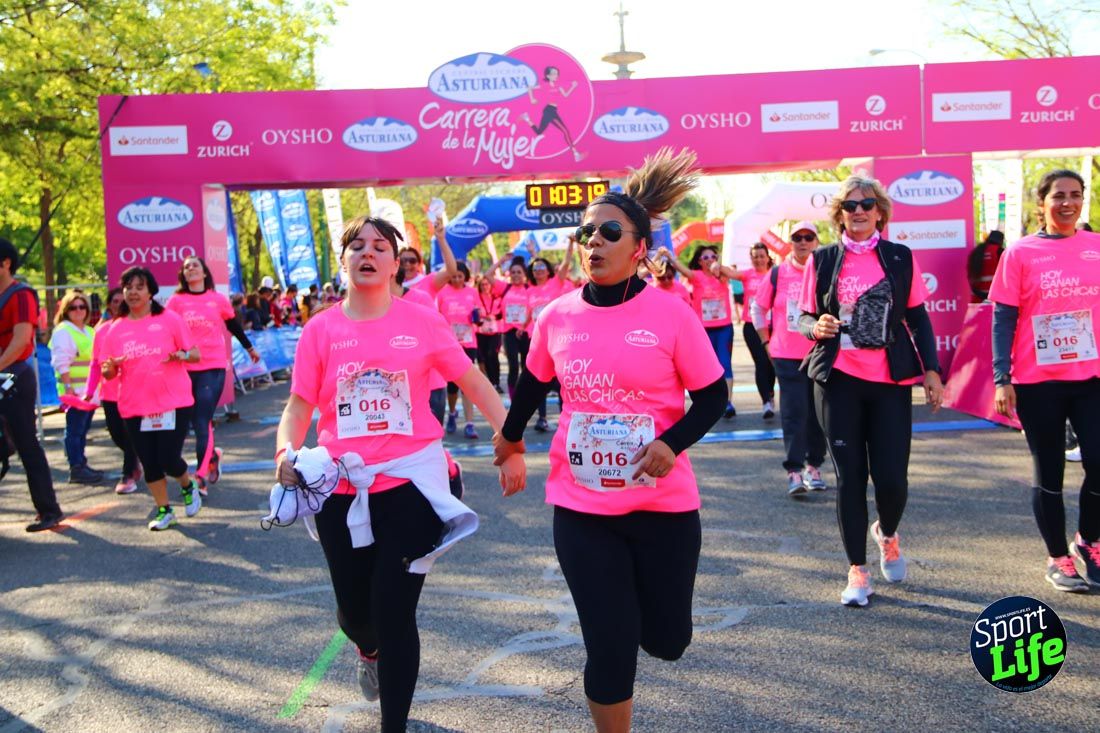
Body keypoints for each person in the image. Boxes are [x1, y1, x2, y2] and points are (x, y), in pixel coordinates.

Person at [494, 148, 727, 733]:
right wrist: (511, 439)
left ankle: (646, 621)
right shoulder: (557, 316)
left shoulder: (671, 315)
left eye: (610, 232)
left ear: (639, 248)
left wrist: (671, 444)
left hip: (662, 506)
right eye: (587, 233)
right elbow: (532, 384)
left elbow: (712, 397)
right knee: (609, 644)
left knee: (667, 641)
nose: (594, 241)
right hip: (583, 508)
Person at [275, 215, 520, 732]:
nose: (368, 253)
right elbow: (299, 406)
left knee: (394, 611)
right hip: (341, 485)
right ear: (344, 260)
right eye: (357, 245)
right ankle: (368, 651)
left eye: (380, 246)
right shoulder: (320, 329)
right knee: (355, 615)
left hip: (413, 484)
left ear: (395, 264)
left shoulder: (422, 321)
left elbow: (474, 382)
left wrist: (511, 443)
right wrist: (284, 453)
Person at [797, 175, 943, 607]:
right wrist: (815, 326)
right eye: (850, 205)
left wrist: (931, 370)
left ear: (880, 211)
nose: (858, 211)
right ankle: (857, 571)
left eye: (866, 204)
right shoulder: (822, 259)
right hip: (837, 381)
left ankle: (888, 533)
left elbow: (918, 318)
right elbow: (802, 317)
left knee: (892, 479)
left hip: (889, 382)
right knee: (850, 478)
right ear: (840, 214)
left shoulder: (899, 257)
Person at [990, 169, 1100, 591]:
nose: (1067, 203)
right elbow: (1003, 318)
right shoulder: (1020, 253)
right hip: (1038, 380)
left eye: (1075, 195)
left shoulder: (1095, 246)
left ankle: (1088, 540)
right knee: (1049, 469)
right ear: (1042, 203)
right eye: (1058, 196)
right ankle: (1058, 558)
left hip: (1091, 376)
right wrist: (1002, 377)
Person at [101, 267, 201, 531]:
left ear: (151, 292)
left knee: (168, 458)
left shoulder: (170, 319)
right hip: (135, 405)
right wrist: (109, 368)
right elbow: (108, 372)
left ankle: (187, 485)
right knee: (149, 462)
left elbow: (195, 354)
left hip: (173, 402)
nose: (133, 292)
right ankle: (164, 510)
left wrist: (181, 355)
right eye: (128, 287)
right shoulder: (115, 329)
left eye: (139, 287)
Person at [167, 256, 260, 495]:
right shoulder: (176, 301)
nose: (190, 269)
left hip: (213, 366)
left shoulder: (217, 299)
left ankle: (200, 476)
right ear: (183, 274)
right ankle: (212, 457)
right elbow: (167, 331)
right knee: (190, 422)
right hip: (185, 368)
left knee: (202, 420)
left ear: (204, 272)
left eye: (194, 265)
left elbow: (233, 325)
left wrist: (249, 348)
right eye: (186, 267)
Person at [751, 222, 828, 495]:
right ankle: (794, 471)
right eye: (797, 238)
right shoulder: (778, 273)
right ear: (790, 242)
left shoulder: (824, 270)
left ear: (816, 241)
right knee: (795, 413)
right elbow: (758, 308)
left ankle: (814, 466)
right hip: (786, 355)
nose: (803, 242)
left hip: (819, 354)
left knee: (818, 414)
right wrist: (765, 341)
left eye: (808, 237)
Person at [0, 238, 65, 532]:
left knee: (27, 442)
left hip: (12, 375)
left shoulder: (21, 294)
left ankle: (48, 509)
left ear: (6, 263)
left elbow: (21, 340)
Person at [664, 245, 739, 418]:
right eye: (705, 257)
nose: (710, 260)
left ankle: (728, 403)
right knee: (706, 365)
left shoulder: (722, 275)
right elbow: (680, 268)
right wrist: (669, 255)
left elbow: (735, 273)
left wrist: (719, 267)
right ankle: (710, 401)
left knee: (725, 362)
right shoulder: (696, 277)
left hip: (724, 328)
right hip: (703, 330)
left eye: (713, 256)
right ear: (699, 262)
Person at [84, 287, 142, 495]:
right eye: (114, 301)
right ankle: (135, 460)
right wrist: (89, 391)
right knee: (117, 434)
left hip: (134, 391)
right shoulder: (101, 330)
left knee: (129, 433)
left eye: (121, 301)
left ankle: (128, 474)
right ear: (109, 305)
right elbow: (95, 363)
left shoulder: (137, 326)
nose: (118, 304)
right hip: (109, 394)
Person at [49, 290, 104, 484]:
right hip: (75, 391)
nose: (78, 310)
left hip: (89, 391)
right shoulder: (64, 331)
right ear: (66, 310)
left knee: (82, 429)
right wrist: (68, 387)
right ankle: (76, 467)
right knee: (74, 430)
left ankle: (81, 462)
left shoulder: (89, 331)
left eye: (82, 306)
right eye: (73, 307)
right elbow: (61, 361)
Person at [436, 262, 481, 439]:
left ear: (465, 276)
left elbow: (478, 312)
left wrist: (477, 317)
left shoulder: (472, 292)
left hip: (469, 342)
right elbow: (436, 315)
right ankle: (452, 413)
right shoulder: (442, 292)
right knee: (453, 386)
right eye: (453, 276)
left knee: (468, 385)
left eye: (460, 276)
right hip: (449, 343)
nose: (456, 279)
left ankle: (470, 424)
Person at [739, 242, 778, 418]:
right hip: (751, 326)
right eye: (755, 256)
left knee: (772, 363)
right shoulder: (747, 274)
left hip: (774, 326)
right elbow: (729, 272)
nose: (759, 260)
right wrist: (717, 266)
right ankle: (766, 402)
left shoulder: (775, 274)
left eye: (762, 256)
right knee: (761, 362)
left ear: (768, 257)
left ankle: (770, 393)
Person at [520, 65, 584, 162]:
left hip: (552, 110)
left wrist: (573, 87)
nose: (556, 75)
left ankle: (527, 118)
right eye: (553, 74)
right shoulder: (544, 85)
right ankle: (575, 153)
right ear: (548, 76)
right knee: (565, 131)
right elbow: (529, 88)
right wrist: (532, 99)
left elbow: (566, 95)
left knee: (539, 132)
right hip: (549, 111)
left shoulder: (559, 86)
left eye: (557, 74)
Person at [474, 274, 504, 393]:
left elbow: (502, 313)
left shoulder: (496, 297)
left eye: (487, 284)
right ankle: (490, 382)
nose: (485, 287)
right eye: (482, 285)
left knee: (493, 355)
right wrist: (481, 318)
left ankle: (496, 382)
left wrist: (493, 316)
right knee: (484, 357)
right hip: (481, 332)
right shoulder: (476, 297)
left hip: (495, 331)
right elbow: (473, 313)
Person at [966, 230, 1005, 303]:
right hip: (994, 298)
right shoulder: (1000, 252)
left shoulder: (977, 251)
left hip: (977, 297)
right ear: (1001, 241)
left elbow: (969, 273)